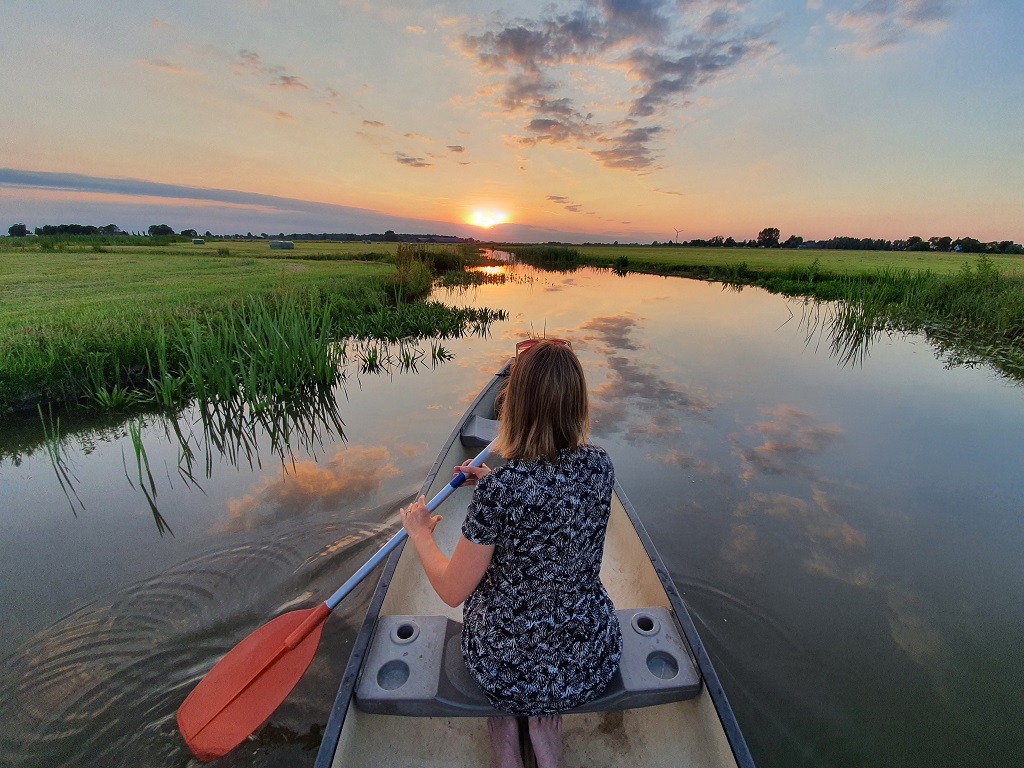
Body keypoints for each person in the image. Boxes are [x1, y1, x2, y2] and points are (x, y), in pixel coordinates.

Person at [401, 339, 622, 768]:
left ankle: (506, 739)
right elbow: (552, 501)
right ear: (577, 405)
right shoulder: (601, 466)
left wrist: (420, 533)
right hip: (584, 657)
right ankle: (547, 743)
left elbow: (451, 589)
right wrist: (489, 482)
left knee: (482, 606)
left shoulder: (502, 493)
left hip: (505, 664)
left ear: (514, 408)